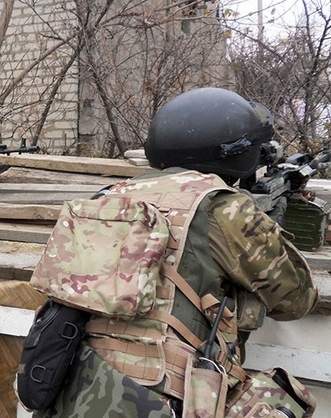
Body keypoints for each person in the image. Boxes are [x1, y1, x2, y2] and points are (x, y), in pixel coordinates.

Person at [28, 87, 319, 417]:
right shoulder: (225, 209)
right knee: (285, 401)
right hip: (163, 398)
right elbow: (296, 300)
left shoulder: (108, 198)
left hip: (76, 388)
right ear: (237, 153)